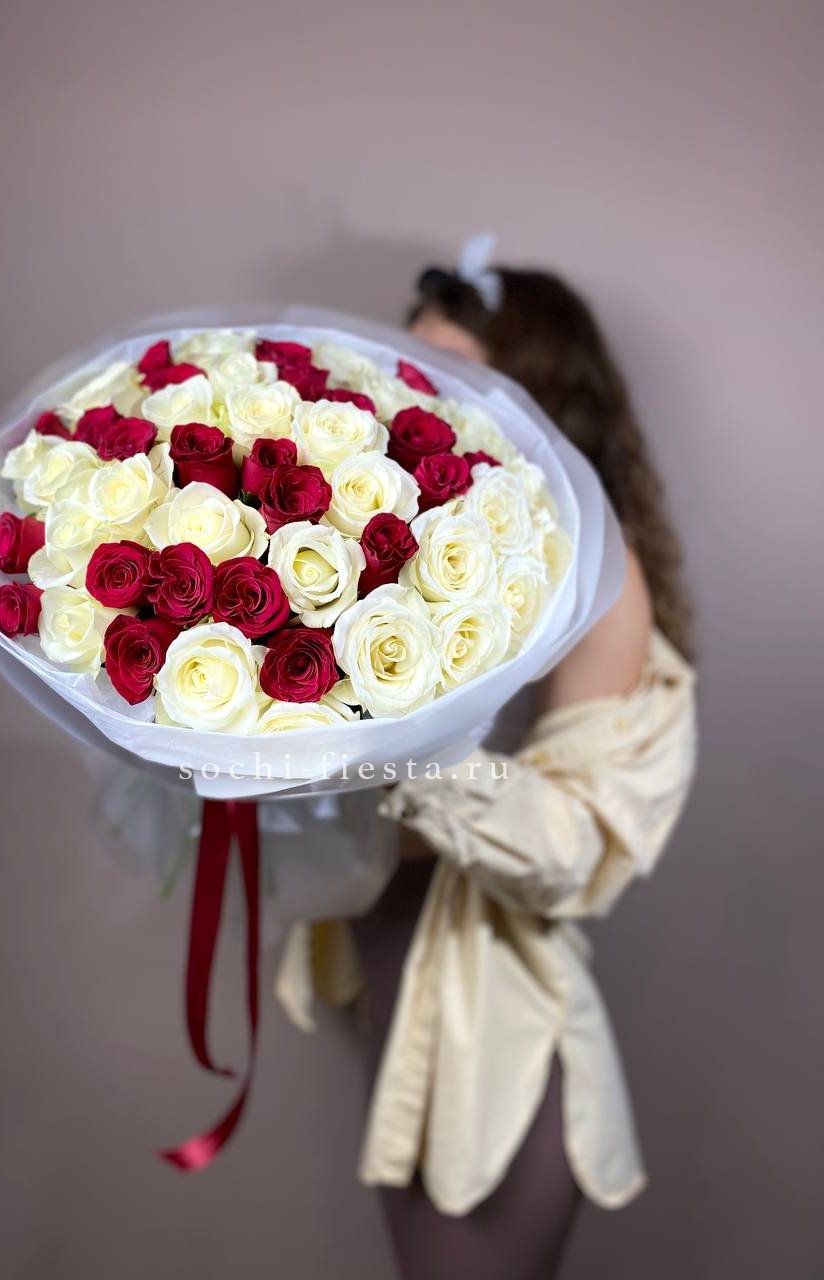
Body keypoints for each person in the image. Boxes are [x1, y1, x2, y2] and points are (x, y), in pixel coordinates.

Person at [275, 247, 697, 1279]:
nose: (419, 398)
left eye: (455, 375)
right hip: (405, 1027)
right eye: (408, 368)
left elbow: (572, 842)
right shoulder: (391, 543)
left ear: (545, 398)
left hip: (498, 1065)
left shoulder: (596, 573)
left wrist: (389, 746)